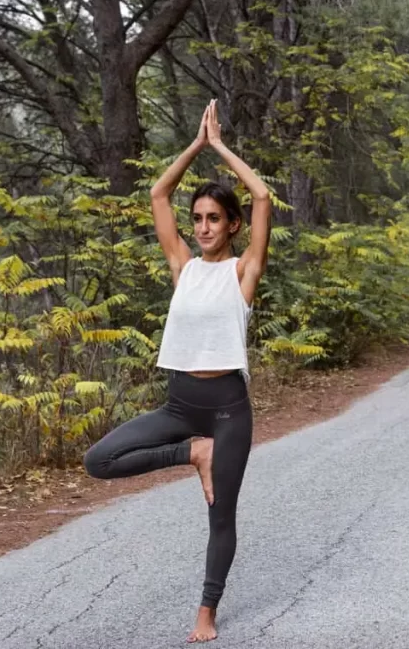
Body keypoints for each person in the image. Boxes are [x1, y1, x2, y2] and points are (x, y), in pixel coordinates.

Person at [82, 99, 271, 643]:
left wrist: (221, 148)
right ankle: (193, 452)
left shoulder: (243, 271)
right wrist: (195, 145)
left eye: (214, 219)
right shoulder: (182, 268)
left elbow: (261, 195)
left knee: (221, 516)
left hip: (229, 408)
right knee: (100, 460)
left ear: (232, 225)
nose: (204, 226)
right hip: (180, 405)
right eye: (198, 219)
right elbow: (157, 194)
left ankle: (207, 611)